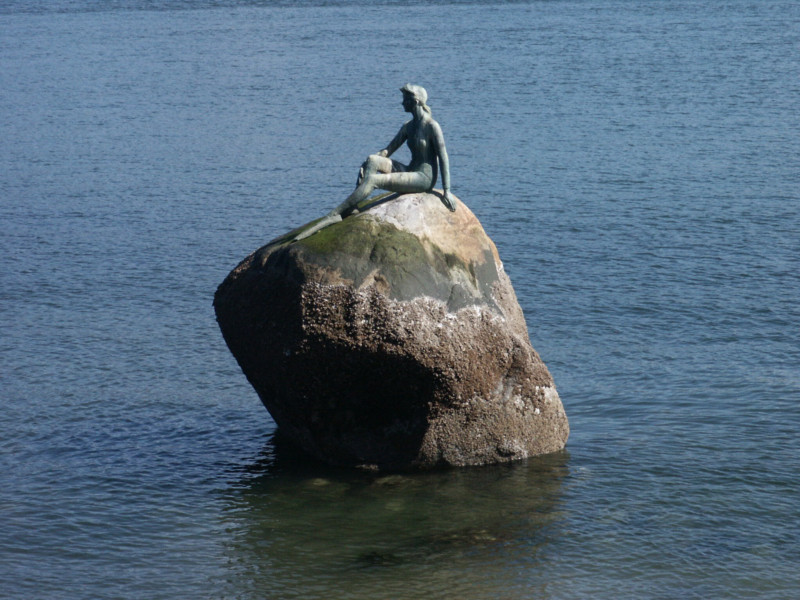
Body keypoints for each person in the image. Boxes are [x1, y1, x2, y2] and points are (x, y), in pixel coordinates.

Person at [294, 84, 455, 241]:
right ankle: (352, 208)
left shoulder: (432, 126)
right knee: (372, 160)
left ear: (416, 101)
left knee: (373, 180)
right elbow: (388, 150)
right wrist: (370, 161)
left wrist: (446, 190)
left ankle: (335, 214)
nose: (402, 102)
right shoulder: (408, 127)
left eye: (405, 99)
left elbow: (443, 157)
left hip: (423, 178)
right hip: (410, 170)